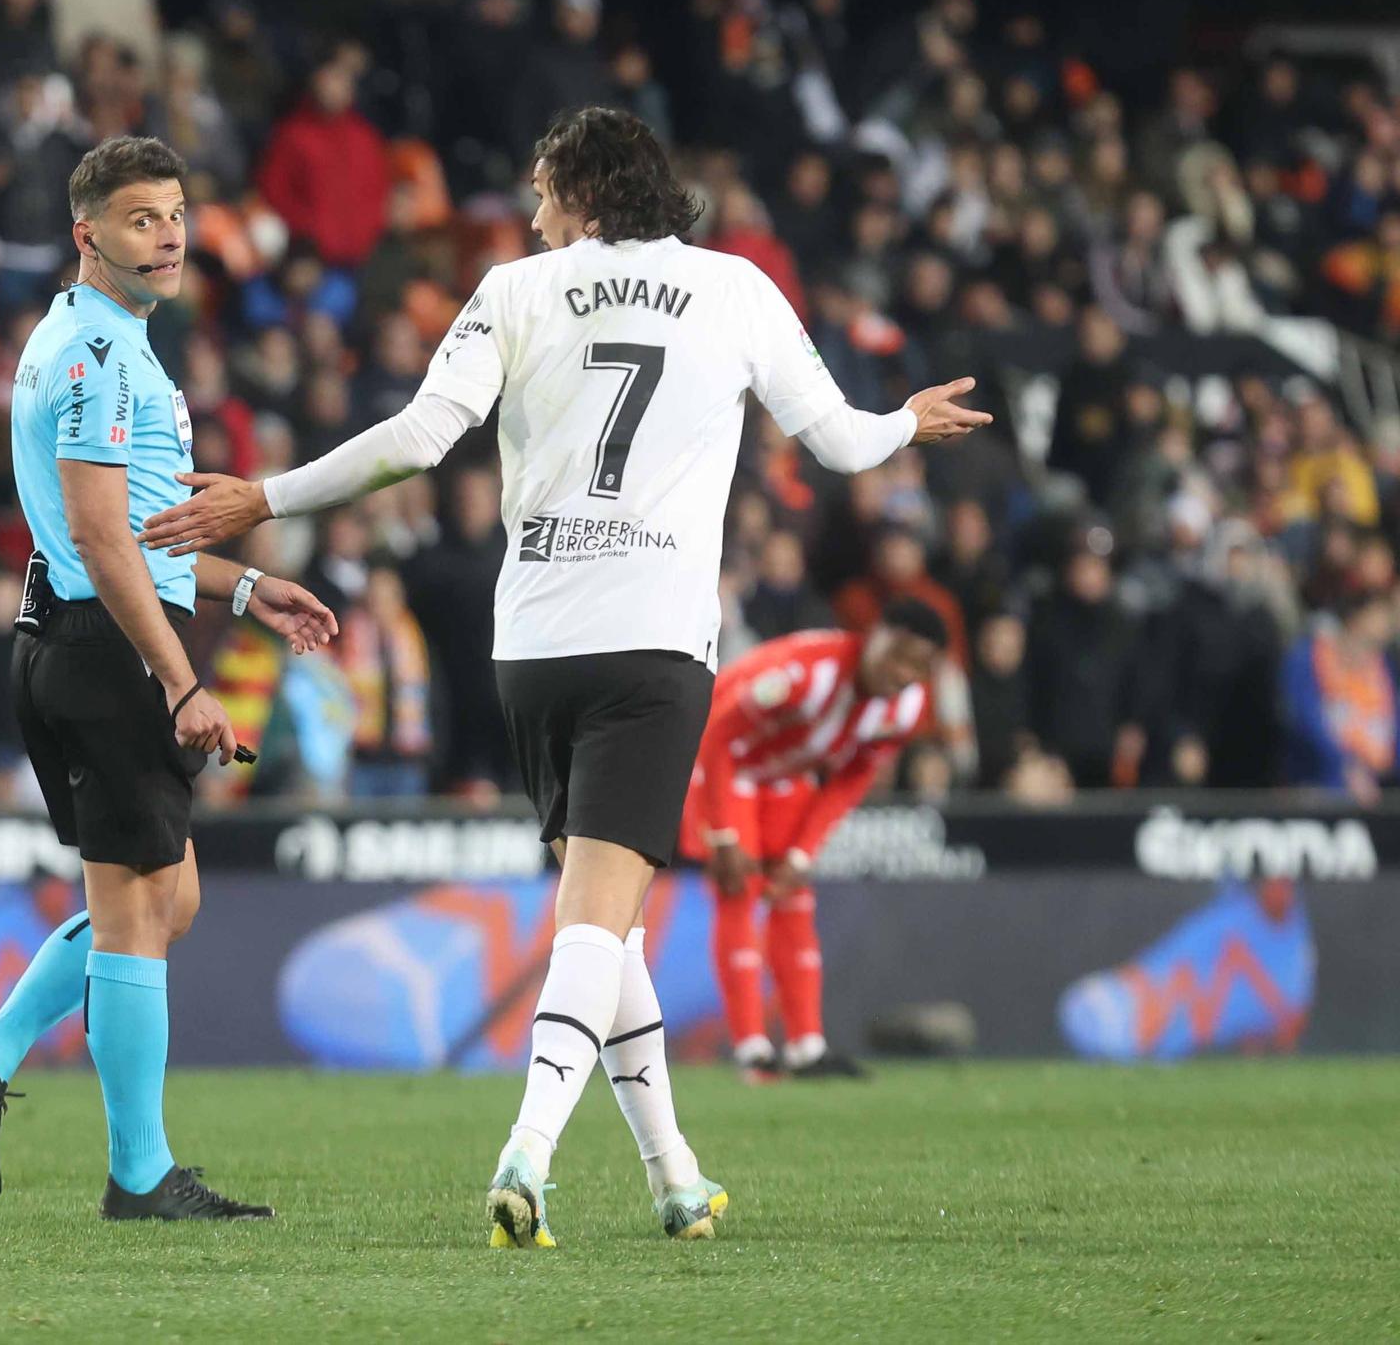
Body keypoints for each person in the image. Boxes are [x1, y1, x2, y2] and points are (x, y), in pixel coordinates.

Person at [139, 105, 987, 1247]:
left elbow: (418, 437)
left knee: (609, 924)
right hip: (650, 645)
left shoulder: (514, 289)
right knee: (598, 917)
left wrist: (266, 494)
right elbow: (833, 442)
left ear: (585, 194)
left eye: (542, 191)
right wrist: (904, 422)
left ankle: (673, 1171)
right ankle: (526, 1153)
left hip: (532, 646)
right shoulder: (734, 287)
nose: (532, 214)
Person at [0, 137, 336, 1222]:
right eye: (142, 218)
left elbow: (132, 537)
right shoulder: (100, 356)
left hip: (83, 637)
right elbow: (105, 544)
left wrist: (245, 592)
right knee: (137, 913)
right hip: (103, 651)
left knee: (163, 898)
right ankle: (138, 1175)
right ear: (86, 235)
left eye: (176, 214)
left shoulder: (90, 341)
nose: (168, 236)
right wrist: (178, 680)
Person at [677, 601, 946, 1081]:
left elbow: (853, 777)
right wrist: (721, 832)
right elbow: (717, 735)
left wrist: (804, 850)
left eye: (920, 667)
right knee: (738, 892)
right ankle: (752, 1052)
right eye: (900, 656)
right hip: (726, 765)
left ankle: (806, 1047)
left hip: (786, 774)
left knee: (793, 894)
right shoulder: (806, 674)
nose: (905, 674)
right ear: (877, 634)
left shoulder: (905, 707)